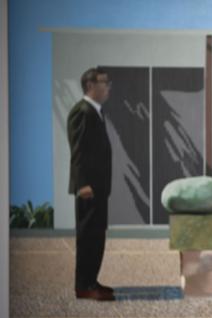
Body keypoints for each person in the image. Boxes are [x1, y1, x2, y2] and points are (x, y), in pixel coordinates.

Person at [67, 67, 114, 301]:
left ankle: (91, 281)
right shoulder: (82, 112)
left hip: (99, 189)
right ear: (90, 86)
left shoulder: (96, 112)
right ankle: (83, 286)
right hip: (89, 190)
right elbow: (78, 152)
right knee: (87, 238)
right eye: (103, 82)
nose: (108, 86)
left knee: (97, 236)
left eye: (107, 82)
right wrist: (82, 184)